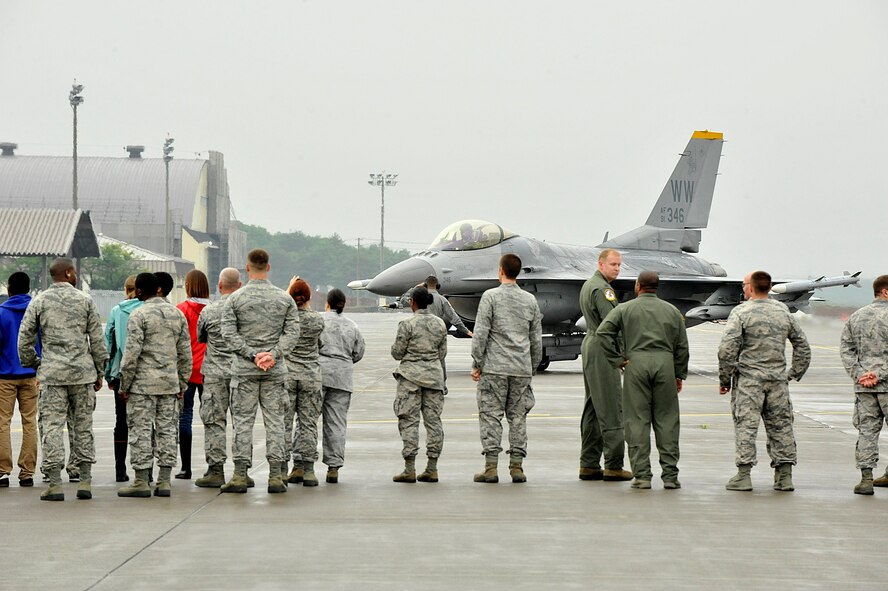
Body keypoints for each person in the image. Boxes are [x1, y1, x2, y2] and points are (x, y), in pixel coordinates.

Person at [18, 258, 108, 501]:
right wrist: (99, 371)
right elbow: (97, 341)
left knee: (52, 427)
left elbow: (24, 338)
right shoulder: (85, 300)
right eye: (75, 272)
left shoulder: (40, 301)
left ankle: (55, 484)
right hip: (82, 375)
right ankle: (85, 481)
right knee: (83, 427)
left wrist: (36, 364)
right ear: (68, 273)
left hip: (52, 376)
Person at [718, 270, 810, 492]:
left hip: (749, 382)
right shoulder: (783, 312)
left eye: (743, 285)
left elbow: (726, 349)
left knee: (746, 427)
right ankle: (784, 476)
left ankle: (744, 474)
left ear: (750, 287)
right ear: (769, 287)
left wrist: (725, 378)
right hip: (777, 381)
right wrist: (793, 373)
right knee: (781, 427)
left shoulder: (741, 312)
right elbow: (802, 346)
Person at [597, 271, 688, 490]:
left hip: (635, 365)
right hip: (665, 365)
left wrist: (617, 360)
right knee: (667, 420)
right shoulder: (672, 311)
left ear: (638, 286)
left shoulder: (624, 308)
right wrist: (678, 374)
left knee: (636, 420)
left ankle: (643, 476)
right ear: (657, 287)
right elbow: (682, 345)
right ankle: (670, 476)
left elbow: (603, 332)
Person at [221, 249, 300, 494]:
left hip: (244, 371)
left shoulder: (235, 299)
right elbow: (292, 334)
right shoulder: (284, 299)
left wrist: (251, 354)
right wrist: (272, 354)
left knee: (242, 423)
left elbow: (228, 334)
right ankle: (276, 475)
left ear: (248, 268)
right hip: (274, 372)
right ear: (268, 267)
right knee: (276, 422)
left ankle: (240, 474)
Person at [116, 273, 191, 498]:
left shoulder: (139, 315)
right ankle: (164, 480)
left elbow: (131, 355)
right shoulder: (177, 314)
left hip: (142, 386)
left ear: (139, 291)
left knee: (141, 431)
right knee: (168, 431)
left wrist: (124, 385)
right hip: (169, 384)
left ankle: (141, 480)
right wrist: (182, 383)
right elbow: (185, 353)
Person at [470, 254, 542, 484]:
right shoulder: (530, 300)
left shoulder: (490, 297)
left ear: (500, 270)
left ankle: (491, 467)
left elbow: (480, 333)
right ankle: (517, 467)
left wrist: (477, 363)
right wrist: (531, 366)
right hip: (521, 368)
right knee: (518, 417)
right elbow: (536, 339)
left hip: (494, 368)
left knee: (491, 416)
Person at [579, 249, 632, 482]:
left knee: (593, 408)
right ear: (601, 264)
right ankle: (613, 464)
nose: (617, 269)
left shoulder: (589, 284)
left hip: (592, 345)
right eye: (613, 264)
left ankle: (589, 463)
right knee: (611, 407)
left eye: (619, 265)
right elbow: (612, 325)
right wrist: (621, 355)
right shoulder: (603, 290)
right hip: (603, 349)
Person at [390, 286, 448, 483]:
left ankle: (410, 468)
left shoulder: (407, 324)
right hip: (433, 377)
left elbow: (397, 353)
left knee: (408, 421)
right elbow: (442, 354)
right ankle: (432, 467)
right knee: (434, 422)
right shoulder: (440, 324)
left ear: (412, 302)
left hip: (410, 378)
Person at [194, 267, 243, 488]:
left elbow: (200, 337)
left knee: (214, 422)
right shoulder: (245, 312)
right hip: (241, 374)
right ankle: (242, 471)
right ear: (239, 286)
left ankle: (215, 470)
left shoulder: (210, 311)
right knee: (242, 422)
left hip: (214, 374)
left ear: (219, 286)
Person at [839, 275, 888, 495]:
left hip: (864, 388)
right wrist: (880, 374)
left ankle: (866, 479)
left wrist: (860, 375)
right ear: (885, 292)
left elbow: (846, 350)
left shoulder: (856, 317)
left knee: (867, 431)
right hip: (885, 383)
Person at [319, 288, 365, 484]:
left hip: (318, 374)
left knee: (307, 420)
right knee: (336, 423)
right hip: (342, 377)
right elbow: (359, 352)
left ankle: (302, 464)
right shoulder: (352, 326)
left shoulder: (319, 322)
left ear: (327, 304)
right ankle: (333, 467)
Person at [283, 277, 325, 487]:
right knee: (308, 424)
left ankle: (282, 468)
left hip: (288, 375)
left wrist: (288, 290)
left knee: (284, 424)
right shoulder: (317, 319)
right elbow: (322, 345)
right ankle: (307, 469)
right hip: (310, 375)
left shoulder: (286, 319)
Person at [0, 272, 38, 488]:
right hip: (31, 375)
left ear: (9, 288)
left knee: (2, 422)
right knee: (29, 422)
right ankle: (27, 472)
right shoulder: (36, 310)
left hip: (5, 376)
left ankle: (3, 471)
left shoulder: (1, 313)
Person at [104, 274, 142, 482]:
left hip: (120, 373)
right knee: (146, 422)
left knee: (121, 421)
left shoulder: (116, 311)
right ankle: (146, 469)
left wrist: (109, 373)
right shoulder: (148, 310)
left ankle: (120, 469)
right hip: (145, 374)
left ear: (125, 290)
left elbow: (108, 343)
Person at [175, 269, 211, 479]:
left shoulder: (181, 310)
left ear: (187, 286)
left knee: (185, 418)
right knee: (211, 420)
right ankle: (212, 465)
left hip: (187, 371)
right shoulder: (213, 310)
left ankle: (186, 468)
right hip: (208, 370)